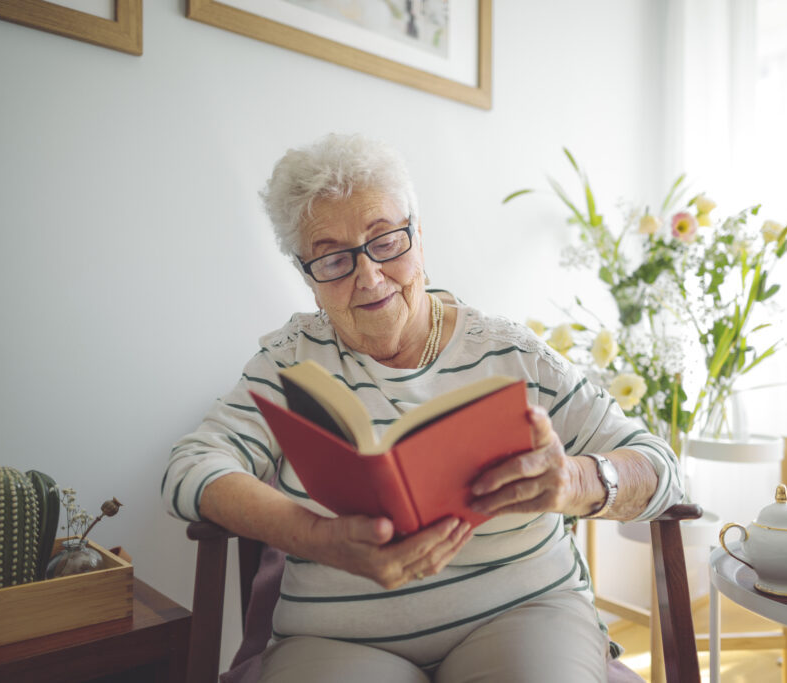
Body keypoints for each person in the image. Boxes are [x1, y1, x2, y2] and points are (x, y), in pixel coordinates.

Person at [163, 133, 683, 683]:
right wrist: (319, 539)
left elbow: (660, 467)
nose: (369, 276)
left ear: (418, 239)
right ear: (307, 277)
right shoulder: (287, 363)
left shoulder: (510, 352)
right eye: (334, 258)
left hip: (526, 614)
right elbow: (190, 468)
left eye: (385, 242)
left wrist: (574, 481)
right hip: (337, 640)